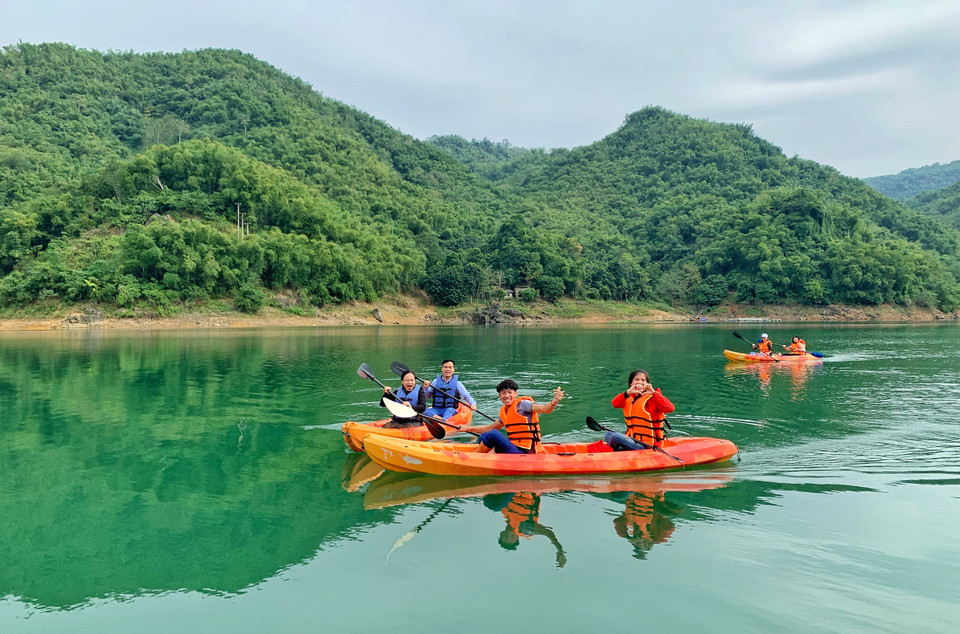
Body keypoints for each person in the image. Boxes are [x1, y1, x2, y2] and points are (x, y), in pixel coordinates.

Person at [459, 379, 564, 454]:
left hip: (526, 451)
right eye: (503, 393)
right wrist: (467, 429)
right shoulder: (504, 411)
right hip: (513, 448)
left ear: (516, 394)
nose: (507, 396)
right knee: (484, 436)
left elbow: (545, 409)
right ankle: (489, 456)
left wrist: (554, 401)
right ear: (499, 396)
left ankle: (475, 456)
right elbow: (490, 427)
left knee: (493, 434)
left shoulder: (523, 405)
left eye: (510, 392)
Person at [483, 491, 566, 568]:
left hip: (512, 491)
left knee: (491, 504)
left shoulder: (506, 515)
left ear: (501, 534)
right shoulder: (524, 528)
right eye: (511, 538)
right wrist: (559, 549)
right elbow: (548, 533)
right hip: (527, 491)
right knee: (494, 506)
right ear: (517, 537)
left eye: (505, 538)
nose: (508, 537)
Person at [605, 369, 675, 451]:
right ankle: (621, 447)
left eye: (643, 380)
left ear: (647, 383)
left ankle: (619, 449)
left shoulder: (652, 399)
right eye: (636, 379)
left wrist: (653, 393)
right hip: (632, 440)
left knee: (616, 437)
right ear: (631, 383)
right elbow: (615, 404)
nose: (640, 382)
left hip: (648, 446)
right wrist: (627, 393)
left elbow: (670, 408)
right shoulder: (628, 398)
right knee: (608, 434)